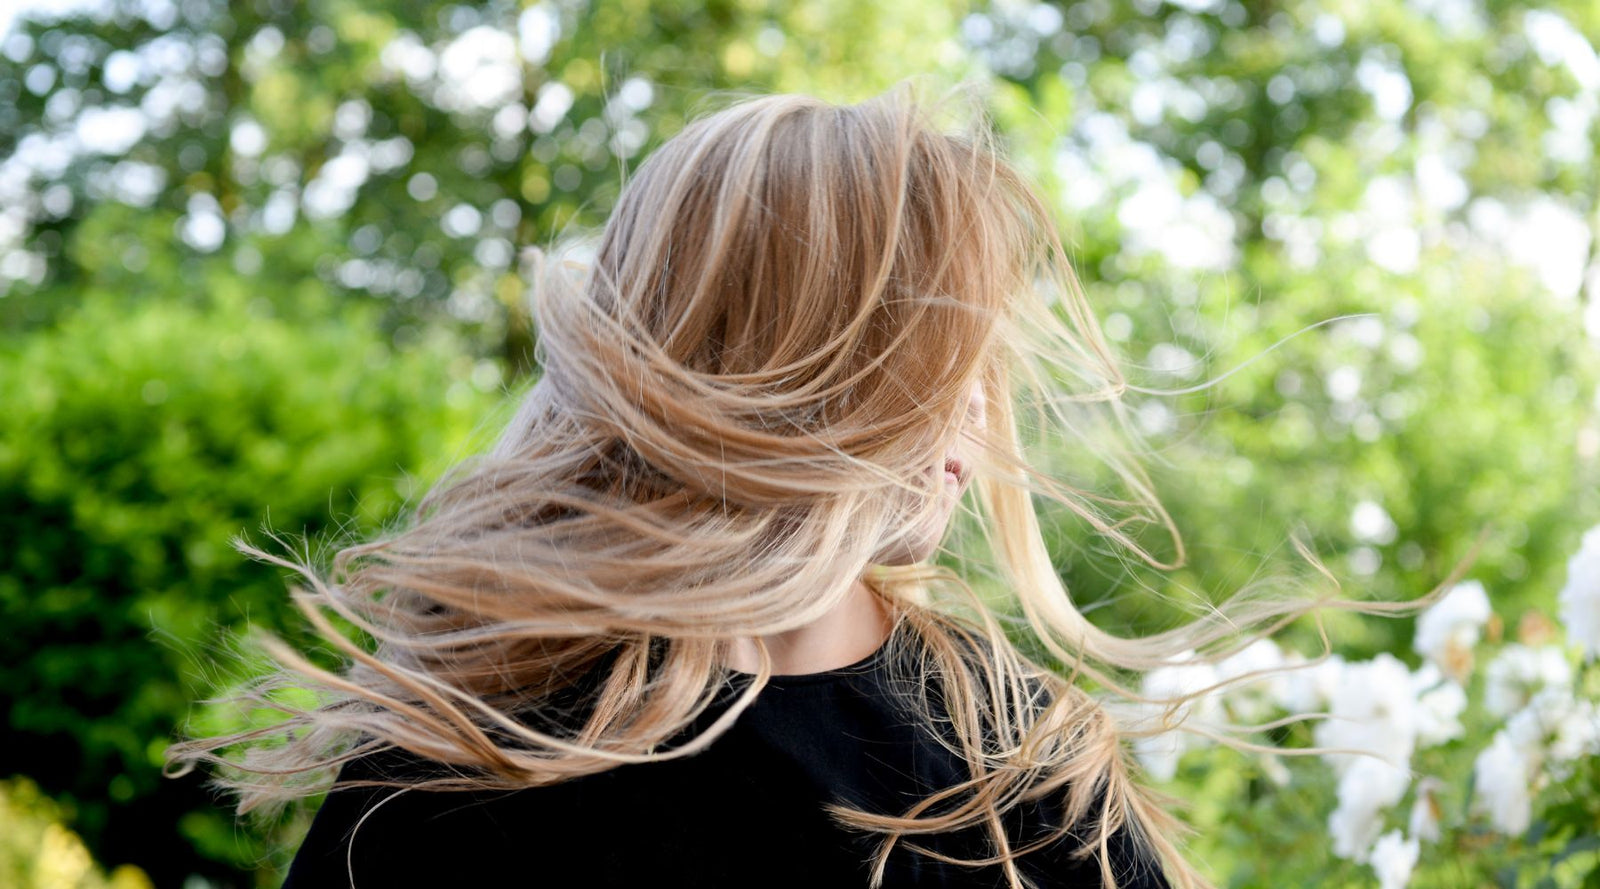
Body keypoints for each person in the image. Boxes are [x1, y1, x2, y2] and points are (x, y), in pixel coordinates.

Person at [167, 80, 1440, 889]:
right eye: (938, 347)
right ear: (799, 373)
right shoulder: (474, 760)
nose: (978, 402)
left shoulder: (1016, 754)